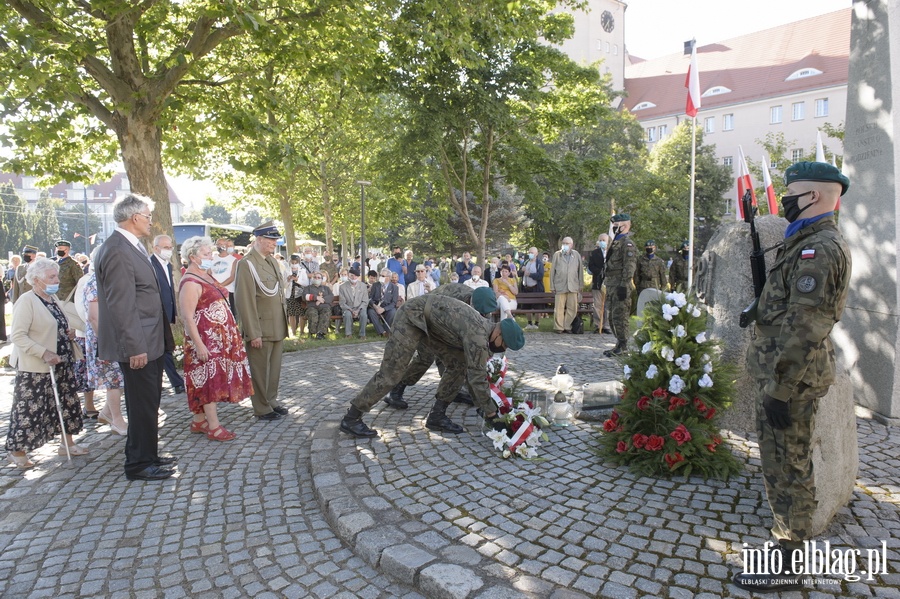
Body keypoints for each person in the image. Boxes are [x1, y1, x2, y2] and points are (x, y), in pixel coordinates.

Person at [733, 162, 852, 593]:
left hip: (792, 380)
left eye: (791, 194)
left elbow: (808, 325)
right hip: (780, 373)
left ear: (814, 197)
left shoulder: (818, 249)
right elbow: (783, 301)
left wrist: (780, 390)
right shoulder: (802, 240)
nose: (783, 201)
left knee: (790, 464)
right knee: (778, 461)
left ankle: (791, 555)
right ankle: (786, 540)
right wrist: (757, 310)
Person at [339, 293, 525, 438]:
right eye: (504, 345)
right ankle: (352, 418)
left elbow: (472, 371)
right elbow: (477, 376)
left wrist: (483, 405)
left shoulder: (484, 331)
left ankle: (437, 416)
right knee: (392, 373)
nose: (501, 349)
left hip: (432, 326)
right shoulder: (478, 336)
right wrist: (492, 415)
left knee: (457, 365)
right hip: (412, 317)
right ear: (498, 334)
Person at [95, 194, 176, 481]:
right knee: (141, 404)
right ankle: (138, 464)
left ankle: (149, 454)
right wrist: (134, 347)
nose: (151, 220)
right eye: (147, 214)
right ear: (134, 218)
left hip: (150, 339)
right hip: (138, 344)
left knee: (149, 402)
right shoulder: (117, 250)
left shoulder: (132, 246)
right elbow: (121, 304)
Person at [6, 258, 86, 469]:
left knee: (67, 402)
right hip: (37, 366)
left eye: (56, 276)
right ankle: (17, 451)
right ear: (36, 280)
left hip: (62, 361)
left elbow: (59, 322)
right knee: (30, 409)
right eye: (51, 277)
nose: (56, 280)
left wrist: (68, 332)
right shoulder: (27, 301)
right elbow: (18, 336)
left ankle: (67, 444)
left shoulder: (53, 299)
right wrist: (43, 352)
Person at [179, 236, 254, 441]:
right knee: (208, 382)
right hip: (204, 340)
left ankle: (199, 420)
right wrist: (199, 344)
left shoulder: (205, 275)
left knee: (210, 379)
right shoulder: (190, 282)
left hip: (218, 339)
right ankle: (213, 426)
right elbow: (186, 317)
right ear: (193, 257)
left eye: (210, 253)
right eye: (206, 254)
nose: (210, 256)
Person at [383, 285, 499, 412]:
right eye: (481, 313)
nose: (484, 315)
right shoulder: (454, 299)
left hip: (447, 328)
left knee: (457, 359)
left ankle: (452, 390)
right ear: (471, 303)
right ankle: (396, 389)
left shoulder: (484, 302)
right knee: (425, 357)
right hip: (423, 320)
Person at [234, 222, 290, 421]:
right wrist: (253, 332)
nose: (274, 243)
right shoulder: (247, 263)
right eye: (271, 239)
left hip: (276, 324)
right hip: (260, 326)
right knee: (259, 369)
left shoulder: (271, 261)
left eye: (275, 239)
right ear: (258, 239)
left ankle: (271, 400)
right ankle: (261, 407)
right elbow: (245, 301)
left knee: (273, 369)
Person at [80, 259, 128, 435]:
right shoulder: (95, 283)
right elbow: (94, 317)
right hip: (104, 339)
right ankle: (117, 420)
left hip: (115, 337)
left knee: (120, 378)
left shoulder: (107, 280)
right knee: (113, 380)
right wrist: (107, 341)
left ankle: (108, 412)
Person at [151, 234, 186, 394]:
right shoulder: (150, 263)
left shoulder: (168, 265)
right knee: (164, 347)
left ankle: (173, 381)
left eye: (170, 247)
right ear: (155, 248)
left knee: (165, 347)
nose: (169, 250)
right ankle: (175, 381)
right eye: (165, 247)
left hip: (167, 310)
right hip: (155, 313)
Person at [603, 214, 638, 356]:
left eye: (616, 225)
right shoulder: (615, 242)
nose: (614, 228)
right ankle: (618, 343)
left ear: (625, 226)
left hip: (620, 286)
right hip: (612, 285)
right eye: (613, 225)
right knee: (612, 317)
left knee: (620, 317)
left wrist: (624, 285)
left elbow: (629, 266)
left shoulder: (627, 244)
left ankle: (623, 346)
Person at [550, 236, 584, 333]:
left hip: (573, 285)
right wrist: (552, 286)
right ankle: (559, 327)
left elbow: (580, 270)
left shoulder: (576, 255)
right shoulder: (557, 255)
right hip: (560, 285)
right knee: (559, 308)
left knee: (572, 308)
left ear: (571, 245)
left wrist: (581, 285)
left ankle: (567, 326)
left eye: (567, 243)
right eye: (563, 243)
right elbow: (552, 271)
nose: (565, 245)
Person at [209, 238, 238, 314]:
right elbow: (208, 273)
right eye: (218, 244)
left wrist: (220, 286)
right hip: (214, 291)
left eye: (221, 244)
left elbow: (232, 277)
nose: (219, 246)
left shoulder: (233, 260)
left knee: (229, 314)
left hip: (228, 291)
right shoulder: (212, 258)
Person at [303, 271, 334, 339]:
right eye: (315, 277)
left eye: (318, 277)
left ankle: (320, 333)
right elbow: (305, 296)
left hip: (324, 307)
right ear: (312, 278)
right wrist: (316, 298)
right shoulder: (308, 288)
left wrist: (321, 300)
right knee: (312, 313)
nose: (316, 278)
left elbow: (331, 296)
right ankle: (313, 332)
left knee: (326, 312)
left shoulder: (326, 288)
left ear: (321, 279)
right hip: (312, 307)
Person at [367, 268, 397, 337]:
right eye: (380, 275)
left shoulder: (394, 287)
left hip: (387, 307)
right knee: (370, 312)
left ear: (388, 277)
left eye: (383, 276)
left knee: (393, 312)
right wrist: (375, 306)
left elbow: (394, 303)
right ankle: (382, 331)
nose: (381, 277)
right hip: (376, 306)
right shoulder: (375, 285)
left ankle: (386, 330)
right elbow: (370, 298)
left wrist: (383, 309)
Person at [588, 234, 609, 334]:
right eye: (600, 240)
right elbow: (591, 266)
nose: (602, 242)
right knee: (597, 305)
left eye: (604, 240)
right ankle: (598, 324)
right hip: (597, 282)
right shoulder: (594, 253)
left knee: (607, 306)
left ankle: (606, 325)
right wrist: (599, 271)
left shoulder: (611, 253)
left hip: (608, 282)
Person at [339, 267, 368, 338]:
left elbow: (365, 301)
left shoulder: (363, 286)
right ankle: (348, 334)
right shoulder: (342, 287)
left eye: (356, 276)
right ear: (349, 275)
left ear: (358, 276)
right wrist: (351, 310)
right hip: (348, 307)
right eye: (352, 275)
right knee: (347, 314)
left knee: (363, 314)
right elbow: (342, 302)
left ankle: (362, 334)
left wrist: (358, 310)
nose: (354, 277)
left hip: (360, 307)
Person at [520, 247, 545, 330]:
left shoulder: (539, 263)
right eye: (529, 252)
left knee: (538, 307)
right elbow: (519, 273)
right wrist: (522, 271)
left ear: (536, 254)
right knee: (527, 307)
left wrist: (530, 274)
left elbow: (540, 275)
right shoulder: (525, 262)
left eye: (532, 252)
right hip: (526, 288)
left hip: (536, 288)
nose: (530, 254)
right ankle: (529, 323)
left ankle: (536, 323)